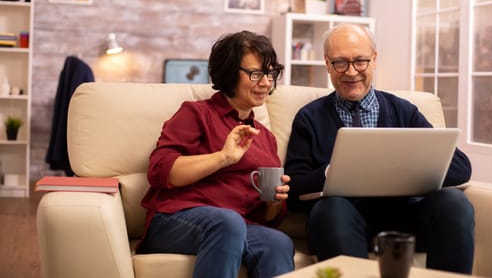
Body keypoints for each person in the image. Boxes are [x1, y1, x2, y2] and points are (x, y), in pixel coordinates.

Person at [284, 23, 474, 274]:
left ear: (374, 59)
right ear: (328, 64)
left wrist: (404, 167)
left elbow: (461, 168)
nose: (351, 72)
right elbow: (293, 187)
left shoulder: (404, 111)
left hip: (408, 217)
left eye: (360, 61)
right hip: (342, 219)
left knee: (454, 202)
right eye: (340, 63)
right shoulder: (309, 117)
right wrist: (333, 172)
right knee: (329, 210)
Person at [137, 30, 295, 278]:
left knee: (278, 243)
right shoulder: (196, 114)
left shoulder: (265, 137)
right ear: (230, 73)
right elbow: (160, 171)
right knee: (228, 223)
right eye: (256, 74)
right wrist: (223, 157)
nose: (265, 82)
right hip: (175, 219)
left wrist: (275, 199)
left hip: (239, 226)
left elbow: (269, 217)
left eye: (270, 73)